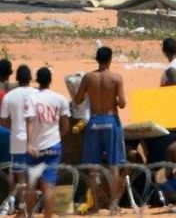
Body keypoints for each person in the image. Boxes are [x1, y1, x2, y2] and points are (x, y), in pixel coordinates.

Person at [74, 46, 127, 212]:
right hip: (111, 121)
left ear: (96, 59)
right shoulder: (116, 78)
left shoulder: (88, 78)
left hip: (94, 121)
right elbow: (123, 103)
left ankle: (95, 204)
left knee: (93, 166)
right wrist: (115, 101)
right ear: (110, 59)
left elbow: (77, 100)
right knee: (114, 165)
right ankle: (114, 204)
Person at [25, 67, 70, 218]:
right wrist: (57, 137)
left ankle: (30, 215)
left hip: (35, 147)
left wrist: (29, 143)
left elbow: (30, 122)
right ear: (50, 80)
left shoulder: (31, 98)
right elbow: (65, 126)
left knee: (31, 184)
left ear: (37, 80)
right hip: (53, 146)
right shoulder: (60, 99)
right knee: (49, 185)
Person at [0, 64, 37, 213]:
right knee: (33, 175)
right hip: (34, 138)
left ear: (16, 78)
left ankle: (13, 204)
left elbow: (4, 120)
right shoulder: (37, 94)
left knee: (14, 172)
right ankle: (30, 208)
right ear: (30, 78)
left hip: (15, 136)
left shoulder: (9, 96)